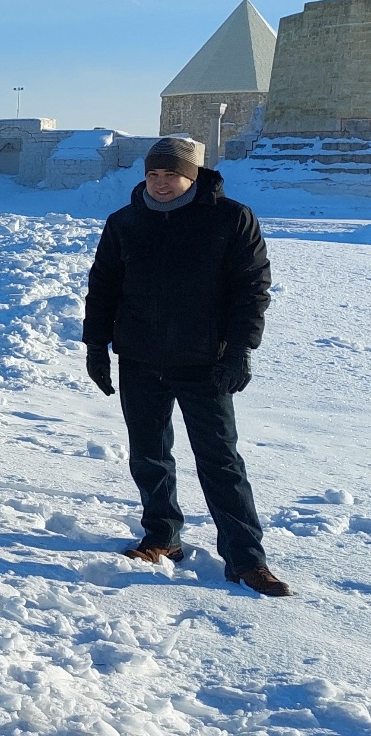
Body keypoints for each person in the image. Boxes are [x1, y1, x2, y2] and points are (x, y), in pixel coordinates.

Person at [83, 136, 291, 597]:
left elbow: (251, 289)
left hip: (205, 362)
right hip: (140, 358)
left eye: (171, 174)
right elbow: (104, 286)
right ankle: (162, 537)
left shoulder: (231, 218)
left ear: (192, 176)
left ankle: (246, 559)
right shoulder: (124, 222)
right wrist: (96, 345)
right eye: (153, 174)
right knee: (149, 455)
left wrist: (240, 350)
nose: (160, 183)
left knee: (220, 461)